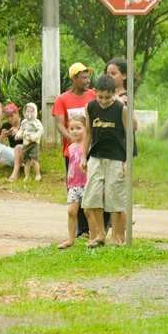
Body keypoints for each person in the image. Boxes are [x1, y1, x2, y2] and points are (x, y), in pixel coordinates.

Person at [81, 74, 128, 247]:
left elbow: (129, 135)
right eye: (100, 97)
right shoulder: (91, 107)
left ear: (114, 93)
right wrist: (84, 156)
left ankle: (115, 237)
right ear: (95, 92)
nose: (103, 101)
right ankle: (101, 233)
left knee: (114, 196)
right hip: (96, 156)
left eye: (107, 97)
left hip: (116, 157)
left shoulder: (121, 108)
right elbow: (88, 132)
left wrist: (127, 161)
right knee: (93, 194)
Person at [52, 62, 97, 237]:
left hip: (92, 150)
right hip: (72, 153)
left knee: (91, 186)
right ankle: (82, 229)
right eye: (84, 78)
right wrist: (74, 141)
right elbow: (59, 123)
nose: (88, 81)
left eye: (88, 77)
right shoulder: (62, 99)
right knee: (74, 187)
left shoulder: (93, 95)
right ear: (74, 79)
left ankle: (95, 226)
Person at [106, 57, 139, 243]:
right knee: (113, 190)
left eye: (114, 73)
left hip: (123, 146)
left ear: (124, 75)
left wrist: (119, 103)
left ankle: (120, 234)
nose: (110, 77)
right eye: (108, 73)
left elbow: (133, 125)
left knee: (119, 191)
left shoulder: (125, 97)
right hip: (109, 146)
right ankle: (118, 234)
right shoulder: (105, 96)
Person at [57, 115, 95, 249]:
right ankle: (70, 239)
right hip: (73, 185)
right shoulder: (71, 147)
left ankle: (93, 238)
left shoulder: (89, 146)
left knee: (89, 211)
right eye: (72, 128)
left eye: (78, 128)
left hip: (86, 184)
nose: (74, 131)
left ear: (86, 129)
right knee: (71, 212)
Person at [15, 102, 43, 181]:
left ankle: (38, 174)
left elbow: (40, 131)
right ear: (25, 112)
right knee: (26, 161)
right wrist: (18, 135)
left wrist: (34, 137)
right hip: (25, 144)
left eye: (31, 111)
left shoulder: (37, 122)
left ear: (35, 112)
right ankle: (27, 176)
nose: (29, 113)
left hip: (34, 144)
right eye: (28, 111)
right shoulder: (24, 122)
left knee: (34, 160)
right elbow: (21, 130)